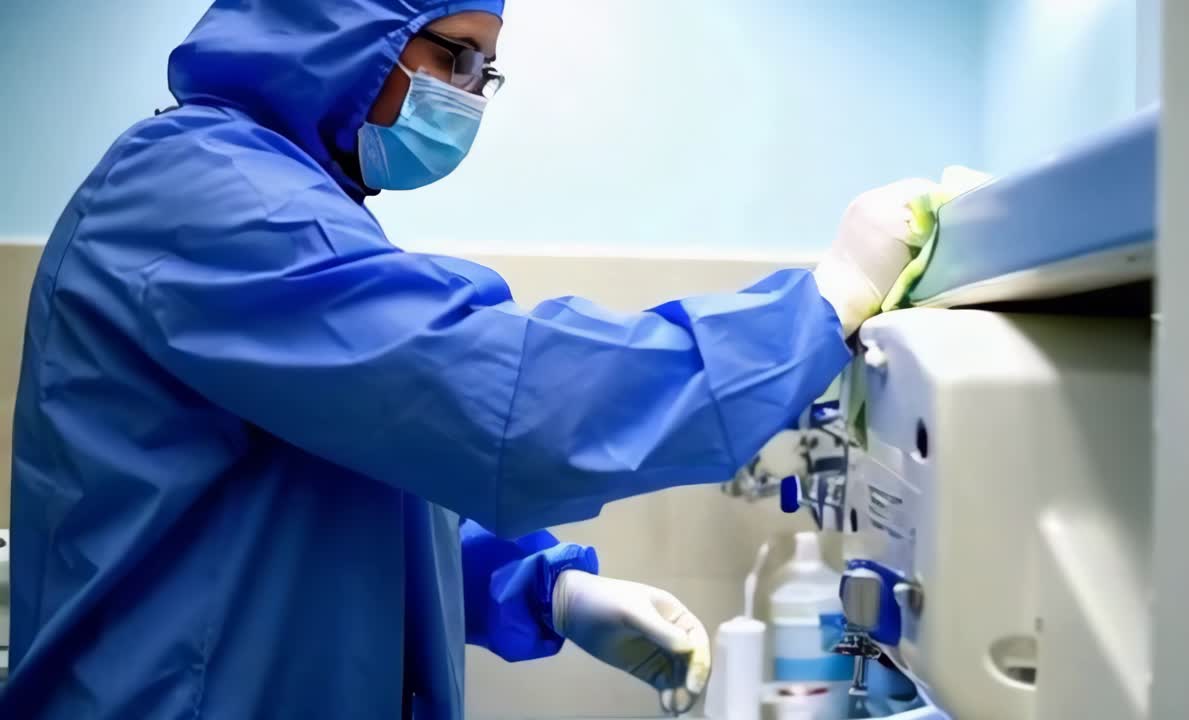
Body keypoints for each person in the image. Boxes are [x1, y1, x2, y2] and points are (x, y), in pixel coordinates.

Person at [1, 1, 937, 718]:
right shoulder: (207, 199)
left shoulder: (280, 197)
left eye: (486, 71)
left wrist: (543, 586)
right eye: (454, 55)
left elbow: (339, 496)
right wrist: (814, 310)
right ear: (340, 31)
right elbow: (515, 404)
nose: (470, 94)